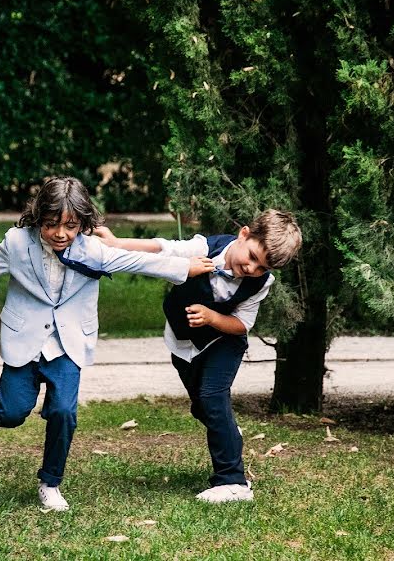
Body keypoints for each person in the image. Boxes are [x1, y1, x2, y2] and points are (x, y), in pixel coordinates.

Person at [0, 176, 215, 511]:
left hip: (68, 343)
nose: (60, 233)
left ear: (83, 224)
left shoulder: (92, 250)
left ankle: (50, 483)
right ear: (38, 217)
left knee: (63, 412)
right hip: (24, 339)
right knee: (13, 412)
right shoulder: (16, 243)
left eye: (70, 226)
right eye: (52, 224)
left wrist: (183, 267)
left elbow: (136, 262)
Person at [90, 209, 302, 503]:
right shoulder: (206, 248)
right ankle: (227, 430)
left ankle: (233, 483)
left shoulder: (260, 284)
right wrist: (116, 242)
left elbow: (242, 325)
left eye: (262, 267)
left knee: (213, 396)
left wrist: (213, 317)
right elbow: (162, 247)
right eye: (252, 257)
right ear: (244, 234)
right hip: (183, 343)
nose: (252, 269)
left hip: (224, 340)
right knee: (203, 407)